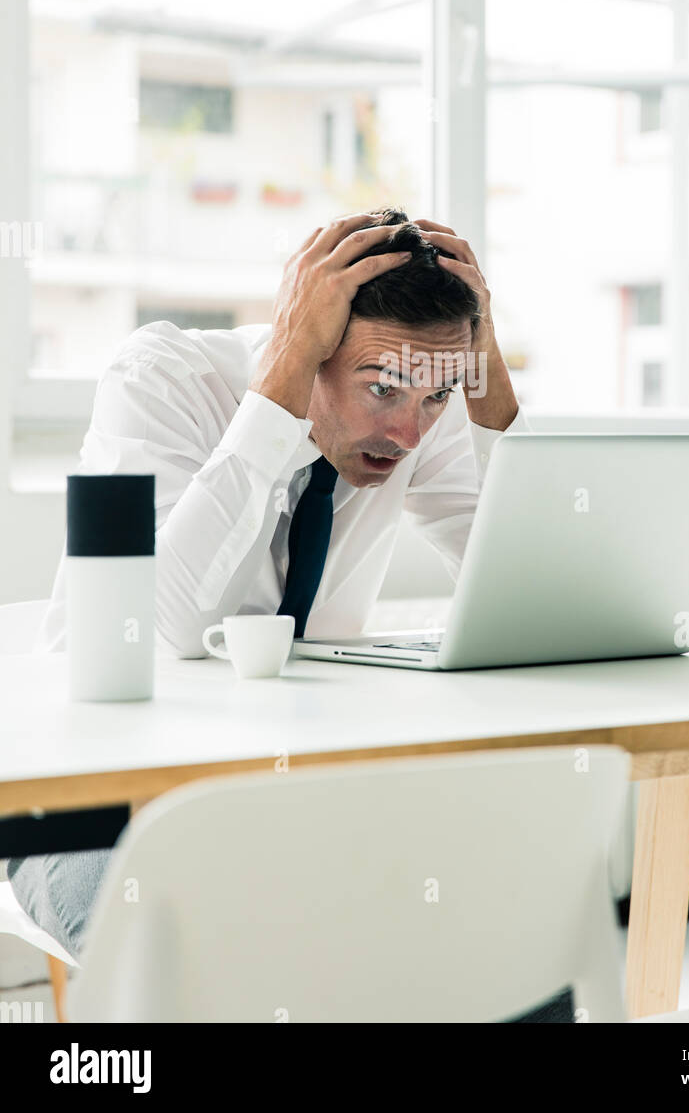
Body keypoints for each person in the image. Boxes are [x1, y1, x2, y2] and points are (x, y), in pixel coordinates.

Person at [7, 207, 572, 1020]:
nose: (408, 431)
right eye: (381, 389)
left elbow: (539, 592)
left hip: (299, 792)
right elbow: (163, 627)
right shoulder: (164, 379)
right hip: (98, 804)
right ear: (307, 341)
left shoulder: (421, 410)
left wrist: (485, 386)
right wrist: (280, 392)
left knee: (515, 947)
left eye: (437, 395)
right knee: (212, 965)